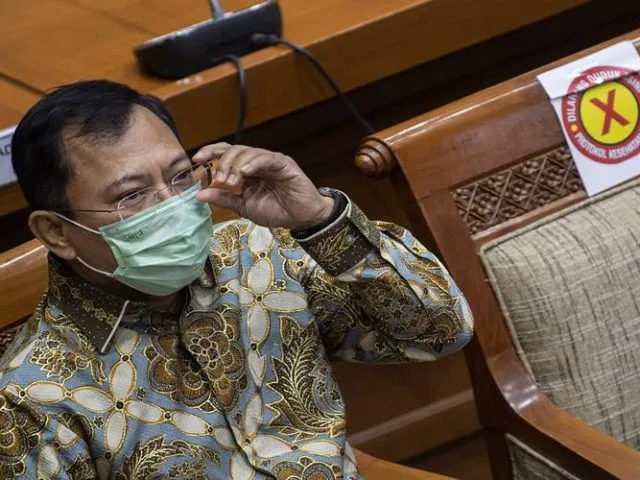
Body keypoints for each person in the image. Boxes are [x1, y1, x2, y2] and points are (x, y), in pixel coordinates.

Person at [0, 80, 473, 480]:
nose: (171, 205)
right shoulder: (30, 398)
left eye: (180, 176)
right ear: (56, 232)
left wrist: (318, 218)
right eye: (133, 196)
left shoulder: (259, 253)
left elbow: (440, 331)